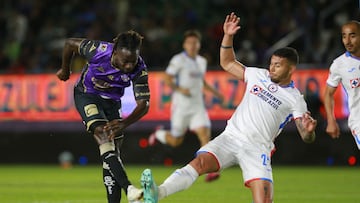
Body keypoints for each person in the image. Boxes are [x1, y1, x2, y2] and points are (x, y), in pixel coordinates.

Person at [139, 12, 317, 203]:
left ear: (291, 69)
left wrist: (309, 131)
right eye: (272, 63)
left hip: (257, 149)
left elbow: (305, 136)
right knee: (198, 163)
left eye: (278, 65)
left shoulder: (295, 98)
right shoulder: (258, 75)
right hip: (231, 137)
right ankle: (158, 193)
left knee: (264, 200)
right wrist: (228, 35)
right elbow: (227, 62)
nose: (272, 68)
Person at [56, 30, 149, 203]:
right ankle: (129, 188)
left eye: (133, 61)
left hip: (112, 103)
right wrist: (65, 69)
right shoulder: (98, 50)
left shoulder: (139, 68)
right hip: (87, 95)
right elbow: (69, 43)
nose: (129, 66)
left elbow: (144, 105)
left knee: (112, 154)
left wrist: (124, 123)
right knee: (103, 135)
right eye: (125, 61)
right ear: (115, 52)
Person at [147, 29, 224, 182]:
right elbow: (167, 78)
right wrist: (180, 89)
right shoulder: (178, 60)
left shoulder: (202, 61)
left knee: (204, 134)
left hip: (197, 106)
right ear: (184, 45)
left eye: (195, 42)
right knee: (176, 141)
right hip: (181, 106)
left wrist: (216, 93)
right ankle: (158, 134)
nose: (192, 45)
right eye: (189, 43)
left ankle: (209, 170)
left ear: (199, 44)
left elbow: (201, 82)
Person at [324, 20, 360, 149]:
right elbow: (328, 94)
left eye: (352, 35)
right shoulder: (339, 65)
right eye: (344, 36)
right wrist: (331, 120)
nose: (347, 41)